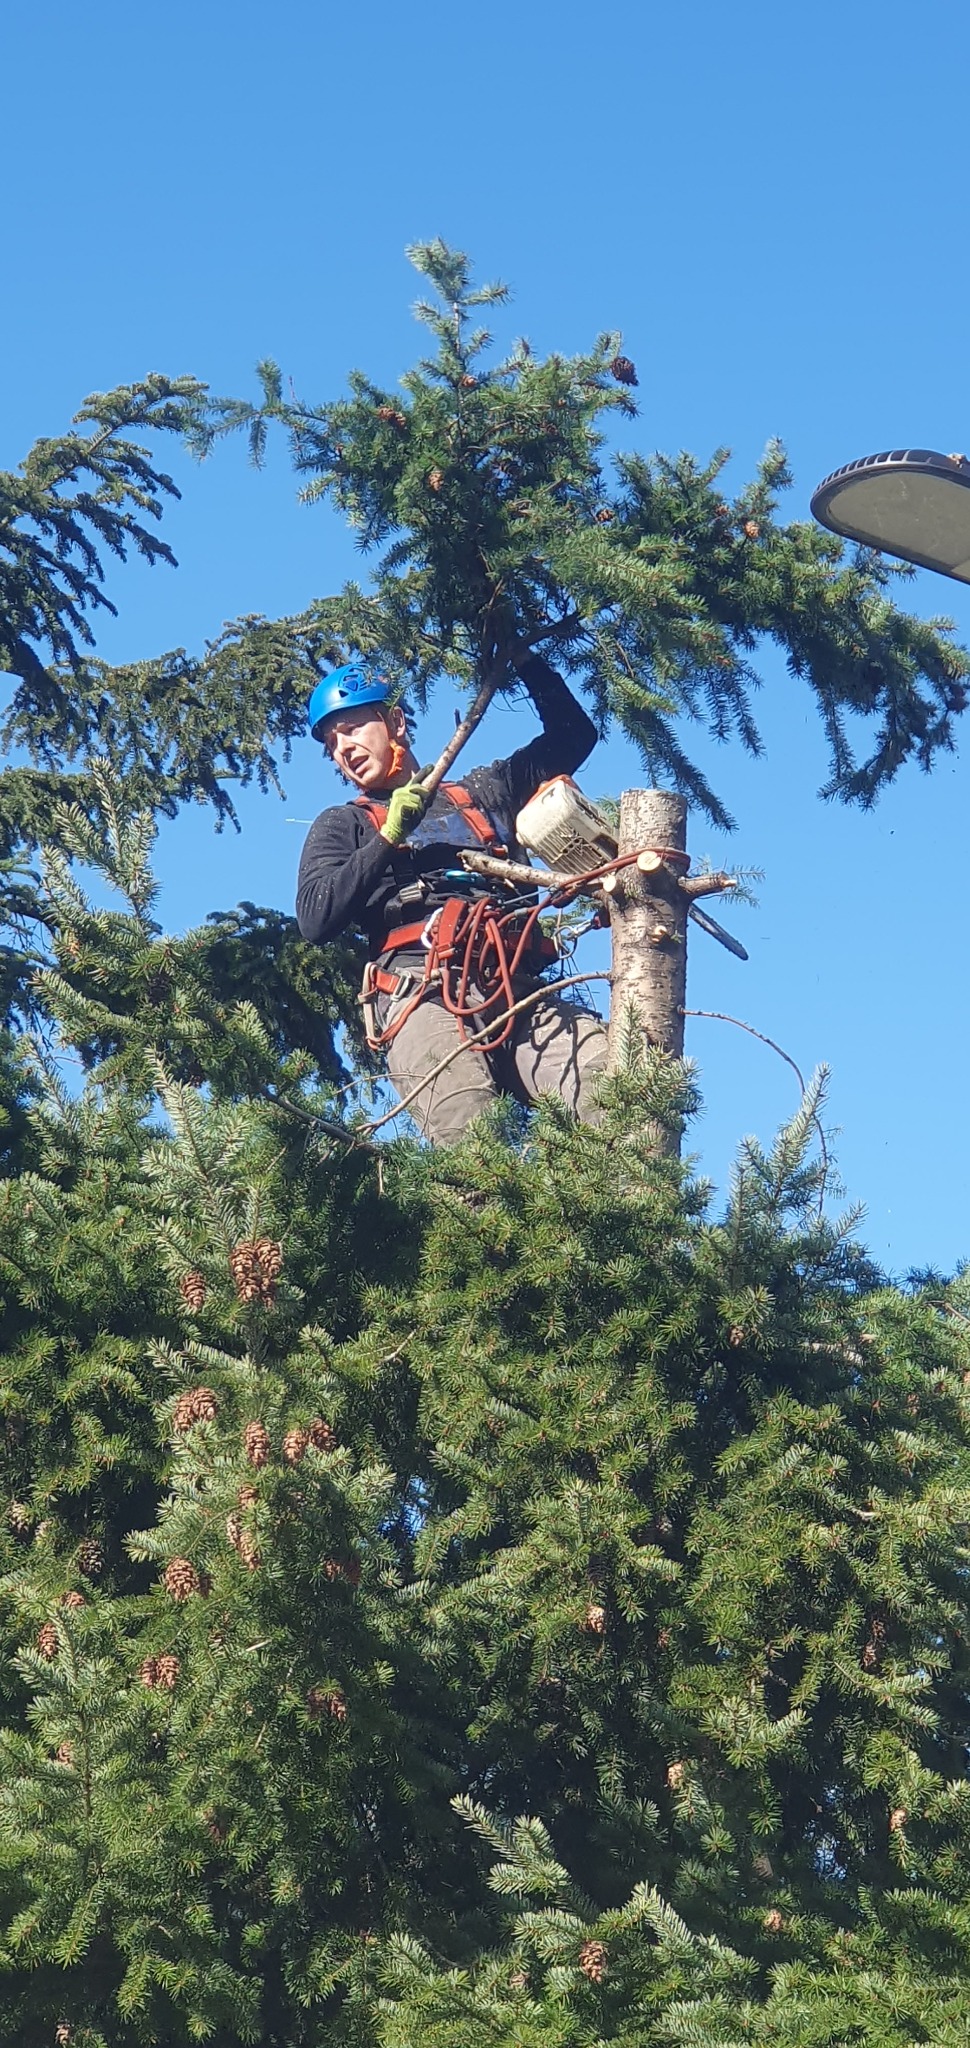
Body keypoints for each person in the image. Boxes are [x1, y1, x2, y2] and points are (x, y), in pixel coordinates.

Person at [296, 648, 608, 1145]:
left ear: (395, 720)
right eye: (332, 742)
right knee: (474, 1143)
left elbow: (574, 735)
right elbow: (316, 917)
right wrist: (388, 837)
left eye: (352, 729)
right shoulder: (345, 824)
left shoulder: (482, 794)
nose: (343, 748)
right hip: (420, 994)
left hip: (514, 986)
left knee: (611, 1089)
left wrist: (522, 657)